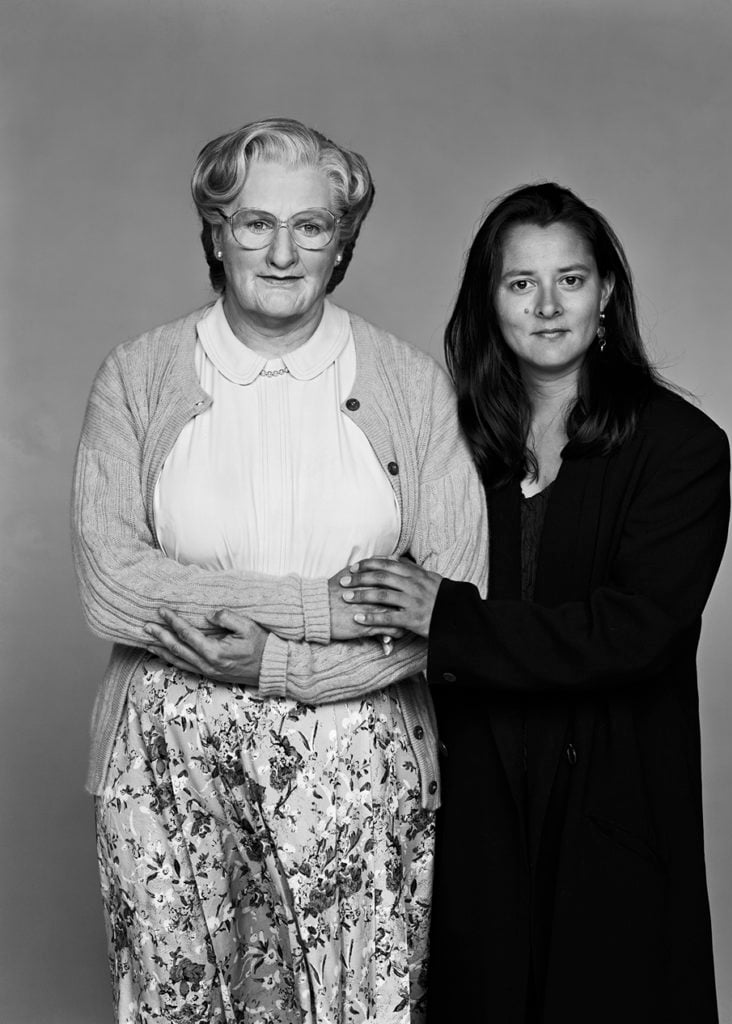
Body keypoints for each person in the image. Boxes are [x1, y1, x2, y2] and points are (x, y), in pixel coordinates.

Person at [71, 117, 487, 1024]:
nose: (283, 250)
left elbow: (450, 604)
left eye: (312, 226)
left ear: (343, 244)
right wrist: (324, 608)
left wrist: (279, 660)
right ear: (214, 235)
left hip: (359, 766)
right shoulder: (139, 376)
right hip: (164, 769)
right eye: (254, 222)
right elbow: (114, 583)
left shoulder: (412, 387)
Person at [339, 183, 730, 1024]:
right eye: (521, 284)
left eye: (571, 280)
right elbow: (379, 598)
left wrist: (446, 617)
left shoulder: (680, 448)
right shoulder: (450, 449)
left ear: (606, 296)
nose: (548, 306)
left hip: (610, 807)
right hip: (475, 803)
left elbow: (635, 633)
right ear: (491, 301)